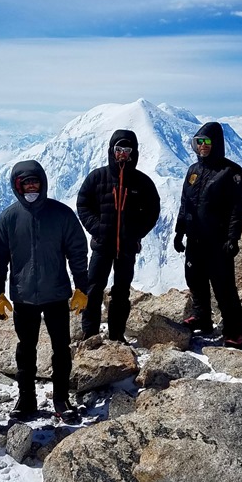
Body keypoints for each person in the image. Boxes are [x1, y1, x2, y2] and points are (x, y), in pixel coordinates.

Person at [0, 160, 89, 424]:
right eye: (26, 183)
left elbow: (77, 251)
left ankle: (61, 397)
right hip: (23, 297)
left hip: (56, 293)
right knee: (26, 349)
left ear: (43, 183)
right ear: (16, 186)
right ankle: (26, 398)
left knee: (61, 348)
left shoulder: (61, 214)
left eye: (35, 182)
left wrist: (82, 286)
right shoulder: (9, 218)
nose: (31, 187)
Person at [76, 129, 161, 342]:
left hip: (127, 246)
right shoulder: (97, 177)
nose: (122, 153)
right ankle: (90, 332)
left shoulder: (142, 182)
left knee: (121, 292)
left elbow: (152, 211)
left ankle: (116, 334)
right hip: (102, 244)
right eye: (119, 149)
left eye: (127, 149)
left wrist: (135, 233)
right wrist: (97, 228)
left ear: (134, 152)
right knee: (93, 288)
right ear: (112, 151)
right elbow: (83, 204)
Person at [173, 122, 242, 347]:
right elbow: (185, 203)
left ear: (216, 143)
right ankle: (202, 317)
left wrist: (233, 238)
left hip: (218, 240)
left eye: (206, 142)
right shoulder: (193, 170)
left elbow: (238, 209)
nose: (202, 146)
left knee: (223, 285)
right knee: (195, 279)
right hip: (194, 238)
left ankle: (233, 330)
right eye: (199, 142)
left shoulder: (231, 172)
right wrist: (179, 231)